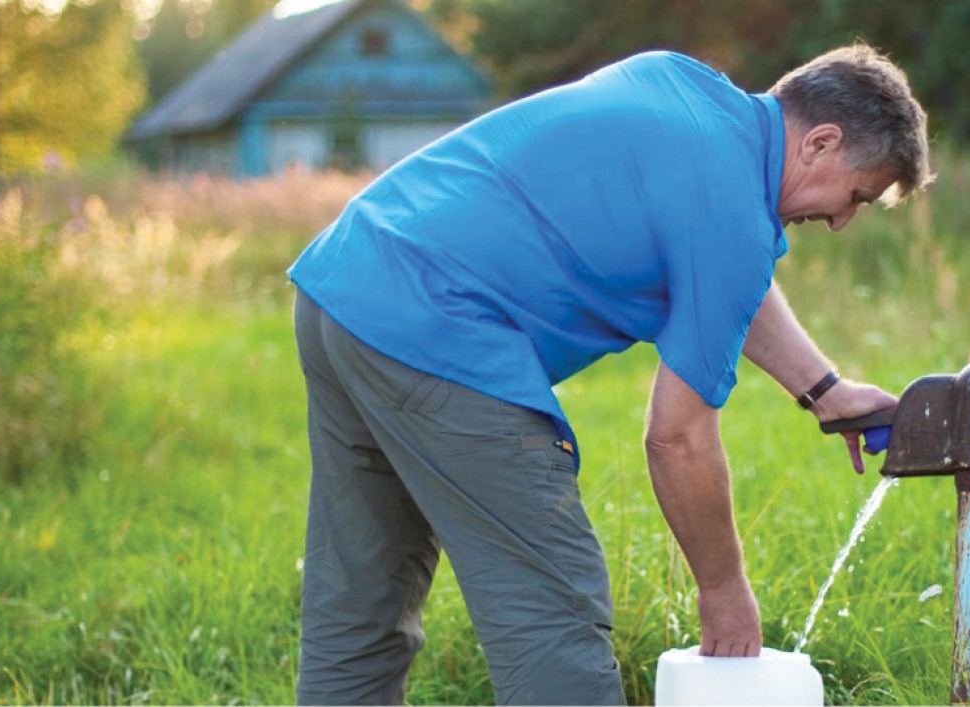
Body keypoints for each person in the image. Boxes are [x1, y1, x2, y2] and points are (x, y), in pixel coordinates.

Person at [288, 42, 933, 705]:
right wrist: (724, 591)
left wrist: (823, 388)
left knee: (360, 600)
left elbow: (720, 272)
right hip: (438, 321)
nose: (841, 221)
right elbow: (676, 438)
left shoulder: (686, 89)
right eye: (858, 195)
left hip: (344, 282)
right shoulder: (732, 214)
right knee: (551, 604)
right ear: (820, 143)